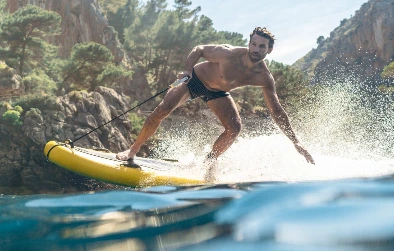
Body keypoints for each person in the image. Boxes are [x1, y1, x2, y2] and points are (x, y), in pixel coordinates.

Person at [116, 27, 315, 169]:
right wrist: (187, 70)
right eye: (253, 44)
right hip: (194, 80)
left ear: (269, 50)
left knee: (234, 128)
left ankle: (209, 163)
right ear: (249, 43)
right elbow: (199, 49)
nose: (256, 49)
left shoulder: (264, 77)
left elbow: (277, 111)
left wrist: (295, 142)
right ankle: (132, 151)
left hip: (217, 93)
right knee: (163, 109)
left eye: (261, 47)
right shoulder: (228, 53)